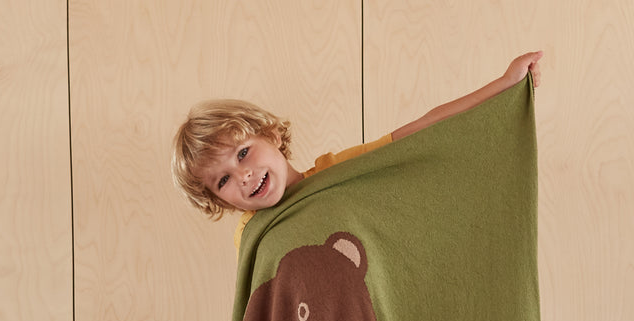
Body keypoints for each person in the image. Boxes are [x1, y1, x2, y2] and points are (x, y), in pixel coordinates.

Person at [172, 51, 543, 252]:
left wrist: (504, 83)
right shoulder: (253, 236)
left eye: (242, 154)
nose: (244, 176)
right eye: (223, 180)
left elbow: (423, 129)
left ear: (269, 133)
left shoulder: (340, 174)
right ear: (220, 201)